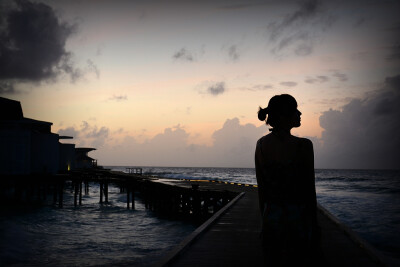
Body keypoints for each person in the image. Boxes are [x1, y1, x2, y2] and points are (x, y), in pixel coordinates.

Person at [255, 94, 320, 266]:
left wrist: (263, 221)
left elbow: (262, 189)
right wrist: (315, 225)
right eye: (295, 110)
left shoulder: (261, 144)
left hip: (271, 216)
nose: (300, 113)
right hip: (298, 218)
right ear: (284, 115)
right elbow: (309, 189)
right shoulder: (304, 146)